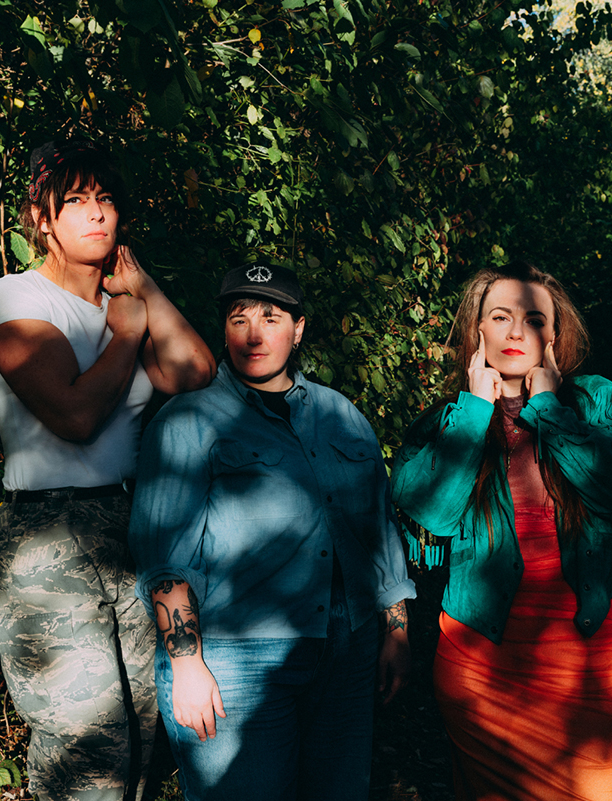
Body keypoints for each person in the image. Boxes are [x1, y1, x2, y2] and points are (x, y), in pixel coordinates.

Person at [0, 139, 216, 800]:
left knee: (140, 731)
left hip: (127, 523)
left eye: (105, 197)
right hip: (47, 530)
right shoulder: (14, 298)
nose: (97, 212)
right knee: (84, 744)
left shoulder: (120, 306)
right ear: (42, 218)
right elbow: (75, 415)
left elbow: (196, 374)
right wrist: (129, 331)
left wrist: (143, 289)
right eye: (76, 200)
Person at [127, 263, 416, 800]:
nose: (254, 335)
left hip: (346, 652)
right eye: (239, 320)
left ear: (298, 329)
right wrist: (186, 664)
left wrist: (396, 631)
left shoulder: (341, 415)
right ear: (224, 330)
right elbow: (164, 557)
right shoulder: (188, 421)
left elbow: (377, 528)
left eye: (271, 318)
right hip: (236, 660)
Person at [391, 261, 612, 801]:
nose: (516, 332)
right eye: (500, 317)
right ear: (477, 330)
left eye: (534, 319)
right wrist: (474, 410)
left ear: (555, 334)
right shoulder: (450, 420)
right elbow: (431, 511)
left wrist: (549, 408)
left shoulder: (599, 403)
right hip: (479, 668)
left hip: (584, 668)